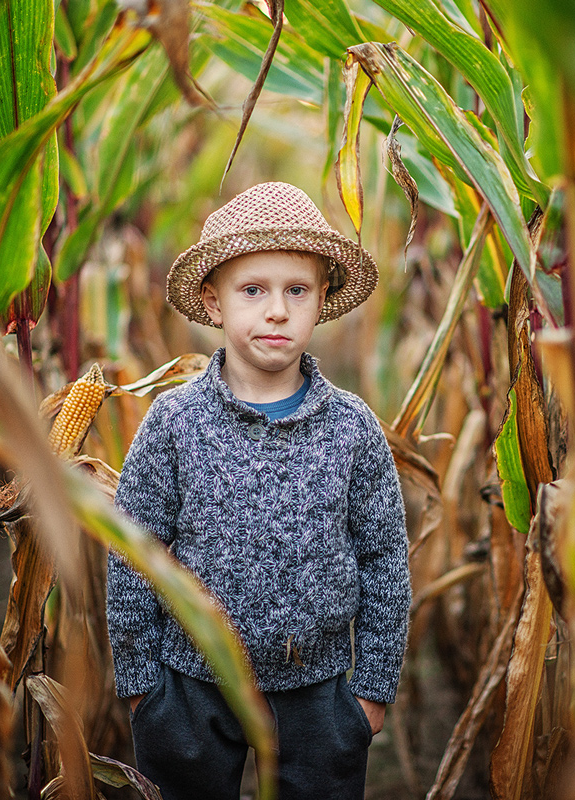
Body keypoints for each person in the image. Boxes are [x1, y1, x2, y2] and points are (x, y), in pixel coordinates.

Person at [106, 182, 411, 800]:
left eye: (296, 291)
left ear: (322, 299)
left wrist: (371, 689)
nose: (277, 311)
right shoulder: (174, 423)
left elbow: (385, 560)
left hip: (319, 694)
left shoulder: (352, 427)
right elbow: (133, 552)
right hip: (188, 688)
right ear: (214, 303)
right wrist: (141, 685)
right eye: (253, 291)